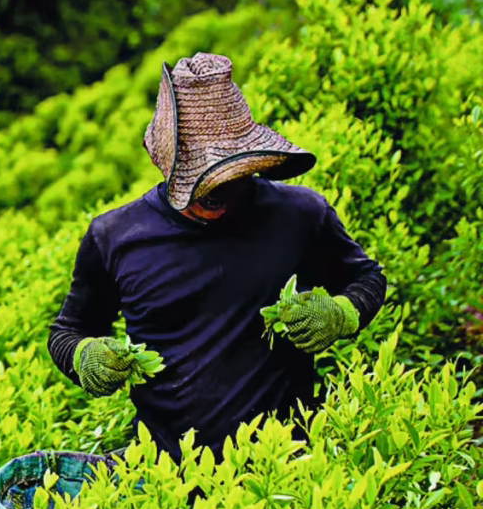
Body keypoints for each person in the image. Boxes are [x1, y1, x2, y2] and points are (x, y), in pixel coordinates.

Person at [47, 52, 387, 465]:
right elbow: (68, 330)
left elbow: (366, 278)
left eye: (232, 179)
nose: (219, 197)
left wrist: (341, 314)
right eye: (204, 184)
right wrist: (85, 356)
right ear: (169, 165)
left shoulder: (299, 214)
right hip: (167, 476)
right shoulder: (115, 237)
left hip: (285, 469)